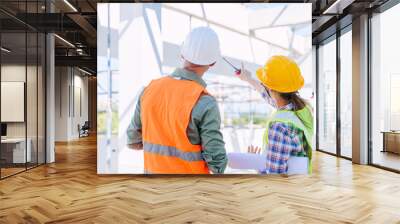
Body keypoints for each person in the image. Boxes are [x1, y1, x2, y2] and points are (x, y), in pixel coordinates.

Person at [126, 27, 227, 174]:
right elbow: (217, 165)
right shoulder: (204, 102)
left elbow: (132, 141)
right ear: (212, 62)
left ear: (182, 53)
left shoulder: (149, 90)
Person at [228, 56, 314, 174]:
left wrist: (255, 162)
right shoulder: (302, 109)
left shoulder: (279, 127)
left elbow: (274, 177)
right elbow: (269, 96)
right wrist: (248, 79)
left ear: (269, 88)